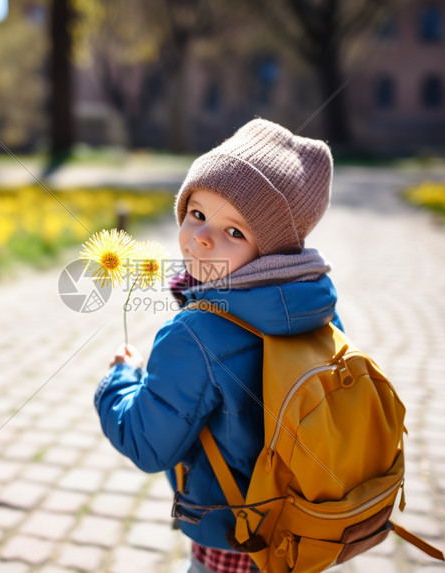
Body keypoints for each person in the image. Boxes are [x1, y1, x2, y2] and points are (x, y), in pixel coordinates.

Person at [94, 118, 343, 573]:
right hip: (300, 529)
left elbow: (148, 443)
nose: (203, 237)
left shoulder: (195, 334)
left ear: (270, 252)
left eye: (236, 232)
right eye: (198, 213)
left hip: (233, 538)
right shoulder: (319, 309)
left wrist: (119, 379)